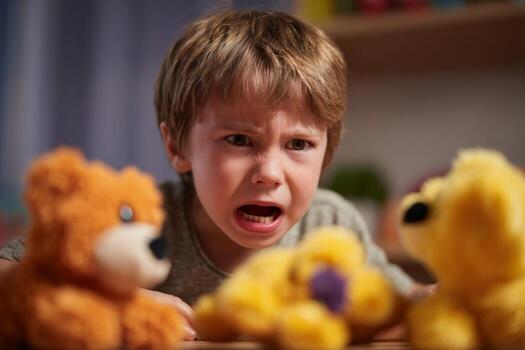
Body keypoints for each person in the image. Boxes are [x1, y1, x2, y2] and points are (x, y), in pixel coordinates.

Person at [0, 9, 429, 341]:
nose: (269, 173)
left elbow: (404, 300)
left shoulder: (332, 223)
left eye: (298, 144)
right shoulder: (137, 220)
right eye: (239, 140)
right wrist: (116, 301)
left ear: (327, 152)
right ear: (177, 147)